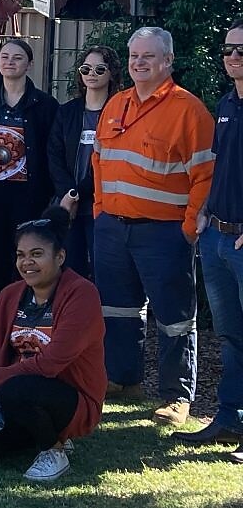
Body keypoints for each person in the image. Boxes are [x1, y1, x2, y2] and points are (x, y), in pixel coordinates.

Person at [93, 26, 214, 426]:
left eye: (148, 56)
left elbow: (205, 175)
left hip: (163, 232)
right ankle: (122, 379)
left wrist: (188, 228)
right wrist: (99, 210)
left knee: (174, 317)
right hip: (112, 228)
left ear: (168, 61)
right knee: (118, 309)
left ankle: (176, 396)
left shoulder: (189, 110)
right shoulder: (116, 103)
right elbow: (98, 161)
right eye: (134, 56)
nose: (139, 63)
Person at [0, 208, 106, 483]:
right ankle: (39, 433)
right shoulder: (9, 295)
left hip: (70, 399)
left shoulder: (82, 294)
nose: (27, 262)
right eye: (21, 255)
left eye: (37, 254)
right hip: (13, 396)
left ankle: (54, 450)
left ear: (60, 257)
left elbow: (50, 364)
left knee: (16, 389)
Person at [174, 21, 243, 463]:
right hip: (217, 236)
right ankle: (229, 418)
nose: (233, 57)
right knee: (232, 336)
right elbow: (218, 167)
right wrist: (202, 212)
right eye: (228, 49)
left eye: (242, 50)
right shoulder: (226, 103)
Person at [0, 39, 58, 322]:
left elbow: (51, 150)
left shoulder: (44, 104)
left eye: (17, 57)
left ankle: (27, 315)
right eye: (5, 56)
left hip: (28, 193)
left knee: (25, 255)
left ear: (29, 64)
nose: (10, 62)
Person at [46, 46, 122, 280]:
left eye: (100, 69)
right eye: (86, 69)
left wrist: (77, 193)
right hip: (68, 206)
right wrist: (68, 194)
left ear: (112, 73)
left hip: (102, 206)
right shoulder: (67, 111)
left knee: (104, 272)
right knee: (71, 270)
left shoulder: (119, 113)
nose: (92, 74)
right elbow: (54, 155)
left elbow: (109, 159)